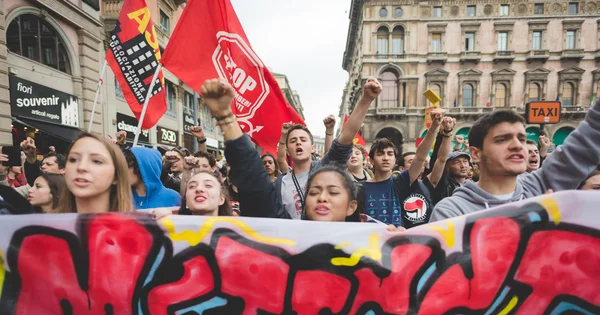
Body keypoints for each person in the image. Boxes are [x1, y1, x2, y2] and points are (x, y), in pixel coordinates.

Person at [200, 77, 380, 219]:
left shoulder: (325, 170)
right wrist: (225, 116)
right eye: (314, 191)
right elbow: (254, 181)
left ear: (351, 206)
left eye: (332, 192)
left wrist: (366, 99)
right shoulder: (279, 184)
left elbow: (345, 139)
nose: (322, 198)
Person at [430, 108, 600, 221]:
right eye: (502, 139)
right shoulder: (451, 212)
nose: (518, 146)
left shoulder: (540, 187)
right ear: (475, 153)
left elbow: (590, 137)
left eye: (522, 139)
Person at [359, 109, 455, 228]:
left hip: (398, 242)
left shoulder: (400, 182)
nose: (385, 158)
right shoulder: (360, 189)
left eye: (390, 154)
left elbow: (420, 156)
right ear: (371, 160)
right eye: (380, 154)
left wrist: (435, 125)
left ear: (395, 159)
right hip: (370, 243)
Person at [55, 132, 133, 213]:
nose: (81, 167)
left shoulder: (139, 224)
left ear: (116, 175)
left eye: (96, 161)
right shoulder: (46, 223)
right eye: (73, 159)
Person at [152, 171, 233, 219]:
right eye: (192, 186)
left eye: (208, 185)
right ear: (186, 202)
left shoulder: (237, 232)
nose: (199, 189)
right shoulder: (170, 226)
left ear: (221, 199)